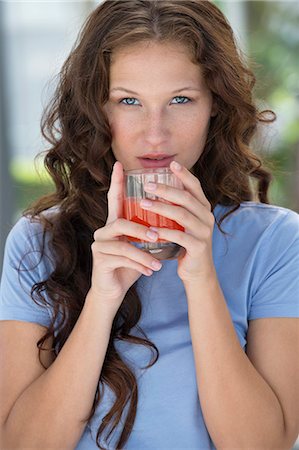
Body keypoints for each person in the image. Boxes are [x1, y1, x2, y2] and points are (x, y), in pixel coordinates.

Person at [0, 1, 298, 449]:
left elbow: (263, 444)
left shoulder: (274, 241)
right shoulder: (38, 241)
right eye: (129, 101)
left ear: (215, 105)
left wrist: (202, 279)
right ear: (97, 110)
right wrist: (102, 299)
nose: (155, 134)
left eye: (180, 99)